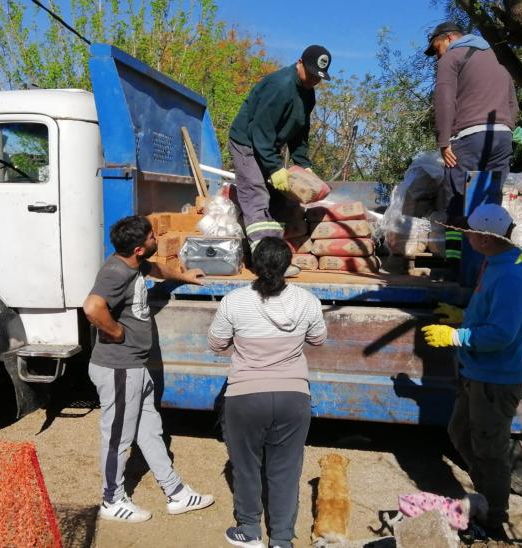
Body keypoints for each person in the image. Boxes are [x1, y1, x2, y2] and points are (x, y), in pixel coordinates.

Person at [83, 215, 214, 522]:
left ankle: (177, 493)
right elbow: (92, 307)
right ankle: (111, 500)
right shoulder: (115, 272)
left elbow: (157, 269)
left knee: (151, 431)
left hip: (135, 367)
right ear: (139, 249)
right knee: (117, 436)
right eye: (152, 237)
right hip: (118, 368)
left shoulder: (136, 264)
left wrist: (183, 275)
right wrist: (115, 332)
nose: (157, 239)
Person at [421, 204, 522, 540]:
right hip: (478, 372)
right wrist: (461, 316)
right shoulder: (495, 263)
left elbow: (502, 333)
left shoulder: (512, 277)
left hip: (496, 379)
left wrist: (456, 336)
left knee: (489, 449)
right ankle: (486, 494)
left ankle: (493, 518)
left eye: (470, 231)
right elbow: (489, 315)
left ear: (486, 238)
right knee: (461, 433)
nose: (465, 235)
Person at [208, 237, 327, 548]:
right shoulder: (307, 300)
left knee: (245, 466)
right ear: (288, 265)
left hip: (245, 397)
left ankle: (248, 529)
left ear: (253, 265)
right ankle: (282, 539)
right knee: (286, 469)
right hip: (293, 397)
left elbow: (216, 343)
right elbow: (317, 340)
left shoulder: (233, 301)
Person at [425, 22, 518, 279]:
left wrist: (444, 141)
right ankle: (490, 268)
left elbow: (444, 100)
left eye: (437, 47)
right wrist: (508, 127)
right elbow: (512, 98)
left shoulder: (452, 57)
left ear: (450, 38)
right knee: (490, 203)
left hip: (469, 137)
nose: (438, 55)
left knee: (456, 200)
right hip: (503, 136)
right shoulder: (498, 53)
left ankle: (457, 270)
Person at [228, 45, 332, 262]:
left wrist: (303, 163)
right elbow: (260, 129)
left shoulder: (307, 94)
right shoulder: (280, 86)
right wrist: (275, 167)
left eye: (318, 77)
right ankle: (267, 263)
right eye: (311, 74)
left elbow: (300, 130)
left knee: (278, 199)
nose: (314, 80)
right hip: (246, 143)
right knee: (257, 194)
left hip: (266, 145)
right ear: (300, 62)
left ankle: (272, 248)